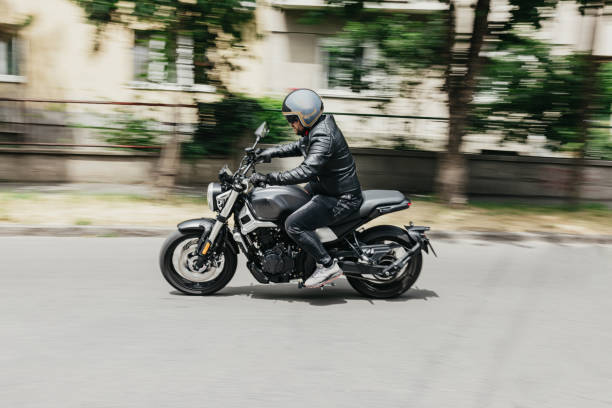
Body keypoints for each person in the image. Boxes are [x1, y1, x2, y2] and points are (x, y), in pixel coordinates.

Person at [250, 89, 363, 288]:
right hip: (326, 187)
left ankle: (327, 265)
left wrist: (269, 178)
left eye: (293, 119)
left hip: (340, 198)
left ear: (306, 115)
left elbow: (307, 171)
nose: (291, 124)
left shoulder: (324, 136)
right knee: (289, 202)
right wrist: (267, 153)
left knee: (294, 224)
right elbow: (298, 146)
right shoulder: (317, 128)